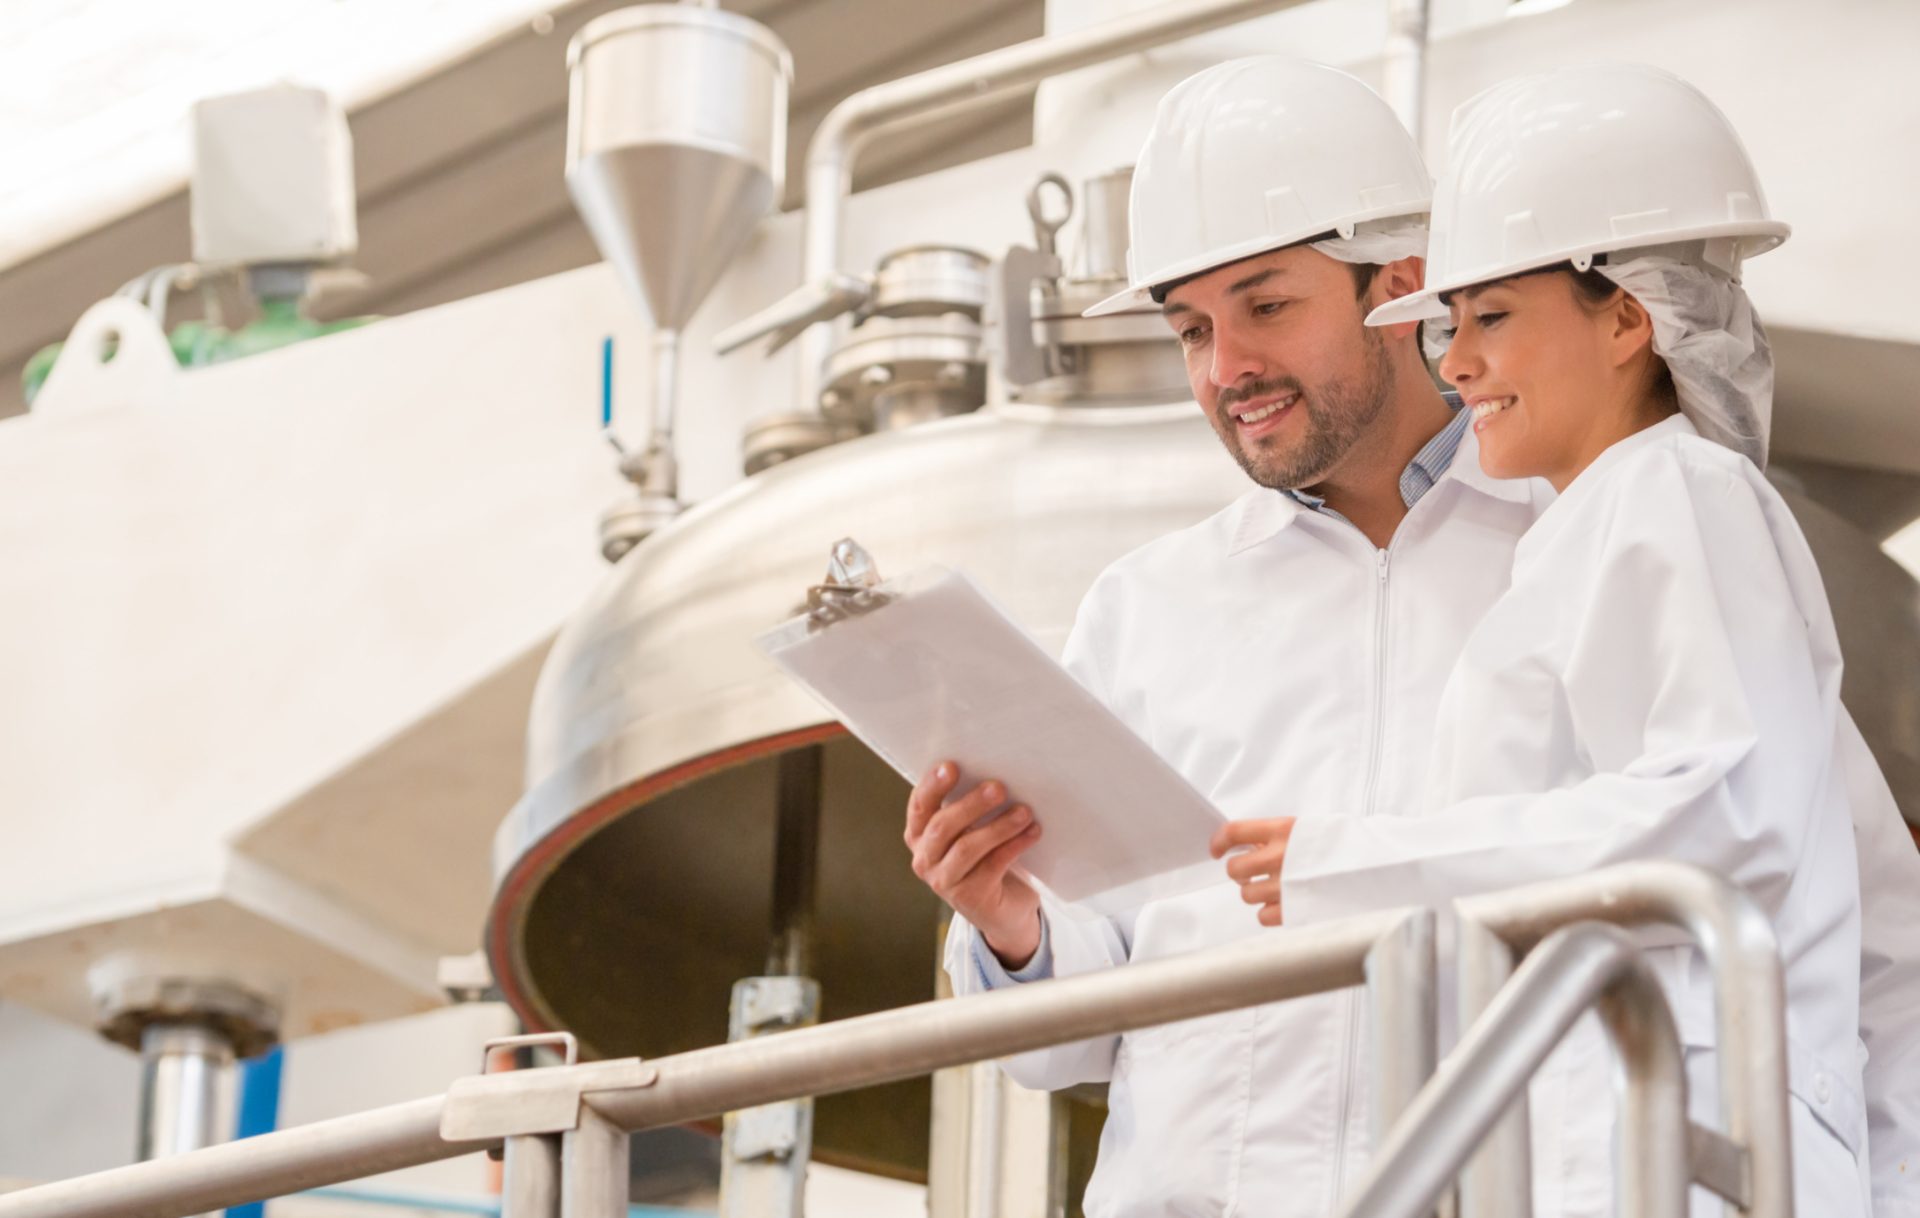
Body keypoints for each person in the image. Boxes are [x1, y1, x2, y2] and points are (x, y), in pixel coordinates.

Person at [903, 57, 1920, 1218]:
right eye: (1191, 329)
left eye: (1267, 305)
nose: (1227, 370)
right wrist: (1010, 927)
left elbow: (1859, 937)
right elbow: (1064, 1040)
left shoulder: (1609, 525)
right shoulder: (1144, 612)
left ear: (1404, 282)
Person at [1244, 63, 1870, 1215]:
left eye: (1491, 317)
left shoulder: (1679, 492)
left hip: (1673, 1150)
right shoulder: (1603, 524)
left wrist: (1358, 863)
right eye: (1449, 325)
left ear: (1628, 316)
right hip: (1613, 1147)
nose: (1456, 362)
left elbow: (1715, 814)